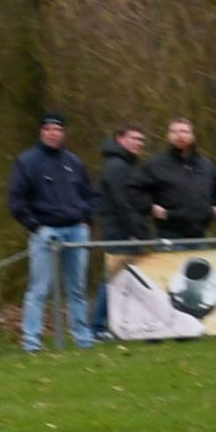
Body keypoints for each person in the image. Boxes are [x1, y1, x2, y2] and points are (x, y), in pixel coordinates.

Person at [7, 111, 97, 352]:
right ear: (41, 132)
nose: (53, 134)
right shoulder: (27, 162)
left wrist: (86, 219)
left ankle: (83, 338)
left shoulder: (74, 162)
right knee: (39, 288)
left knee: (77, 288)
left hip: (76, 231)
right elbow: (17, 201)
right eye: (48, 129)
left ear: (63, 133)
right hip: (45, 232)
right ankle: (31, 340)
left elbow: (89, 195)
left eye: (58, 130)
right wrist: (36, 226)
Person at [90, 124, 151, 342]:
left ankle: (117, 324)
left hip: (124, 229)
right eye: (133, 138)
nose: (138, 143)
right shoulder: (116, 166)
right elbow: (121, 202)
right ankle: (98, 326)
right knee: (113, 279)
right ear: (120, 139)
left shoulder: (127, 165)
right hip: (120, 232)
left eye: (141, 140)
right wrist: (133, 231)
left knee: (121, 279)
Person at [134, 116, 216, 242]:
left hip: (199, 234)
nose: (179, 135)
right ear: (168, 136)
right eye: (174, 132)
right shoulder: (155, 165)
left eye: (184, 131)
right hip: (169, 234)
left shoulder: (206, 165)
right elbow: (135, 190)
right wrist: (150, 207)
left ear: (193, 135)